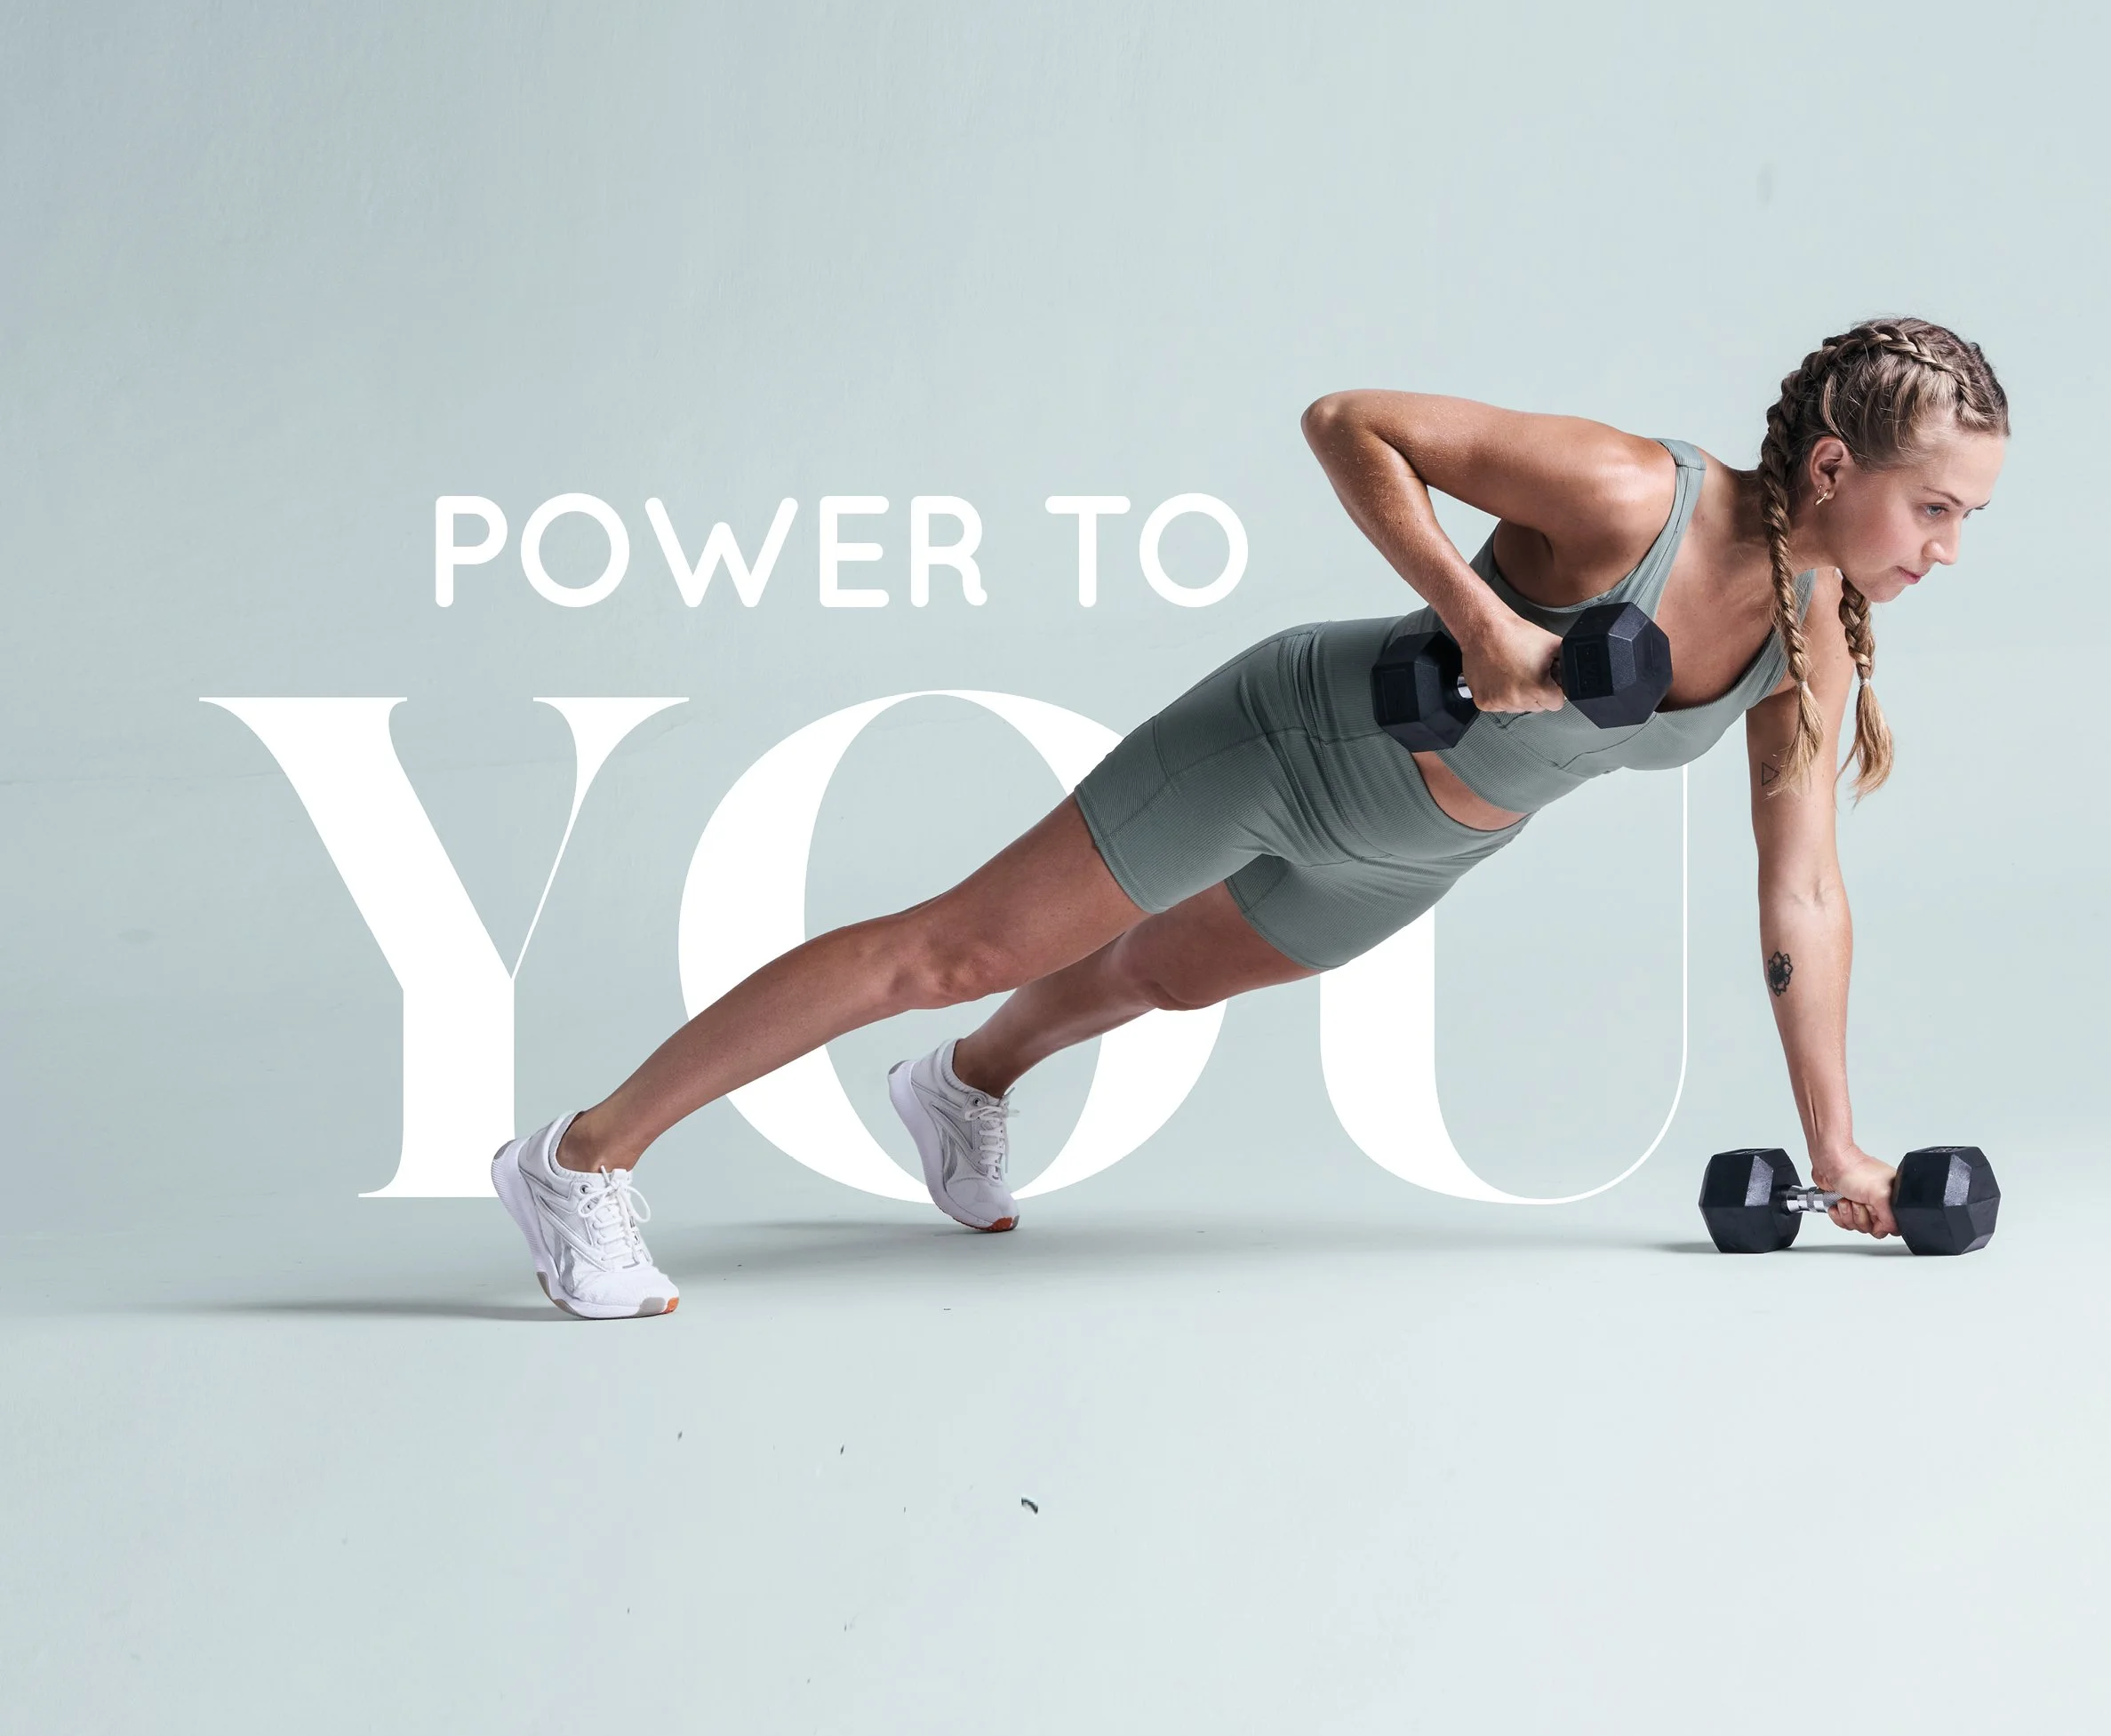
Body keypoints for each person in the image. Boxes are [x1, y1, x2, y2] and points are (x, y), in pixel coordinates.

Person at [492, 317, 2009, 1317]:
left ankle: (961, 1090)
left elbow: (1802, 897)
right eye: (1935, 508)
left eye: (1967, 521)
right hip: (1291, 742)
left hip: (1423, 848)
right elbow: (1351, 420)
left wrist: (1842, 1149)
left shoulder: (1811, 646)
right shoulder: (1629, 495)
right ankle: (582, 1158)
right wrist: (1478, 617)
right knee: (948, 947)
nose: (1948, 548)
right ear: (1832, 466)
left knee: (1151, 976)